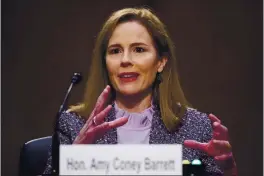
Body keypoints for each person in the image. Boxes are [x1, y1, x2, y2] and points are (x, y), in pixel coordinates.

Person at [43, 7, 237, 175]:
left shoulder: (196, 127)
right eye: (115, 51)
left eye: (139, 50)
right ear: (105, 62)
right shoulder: (73, 125)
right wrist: (76, 156)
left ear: (161, 62)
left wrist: (228, 169)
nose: (125, 60)